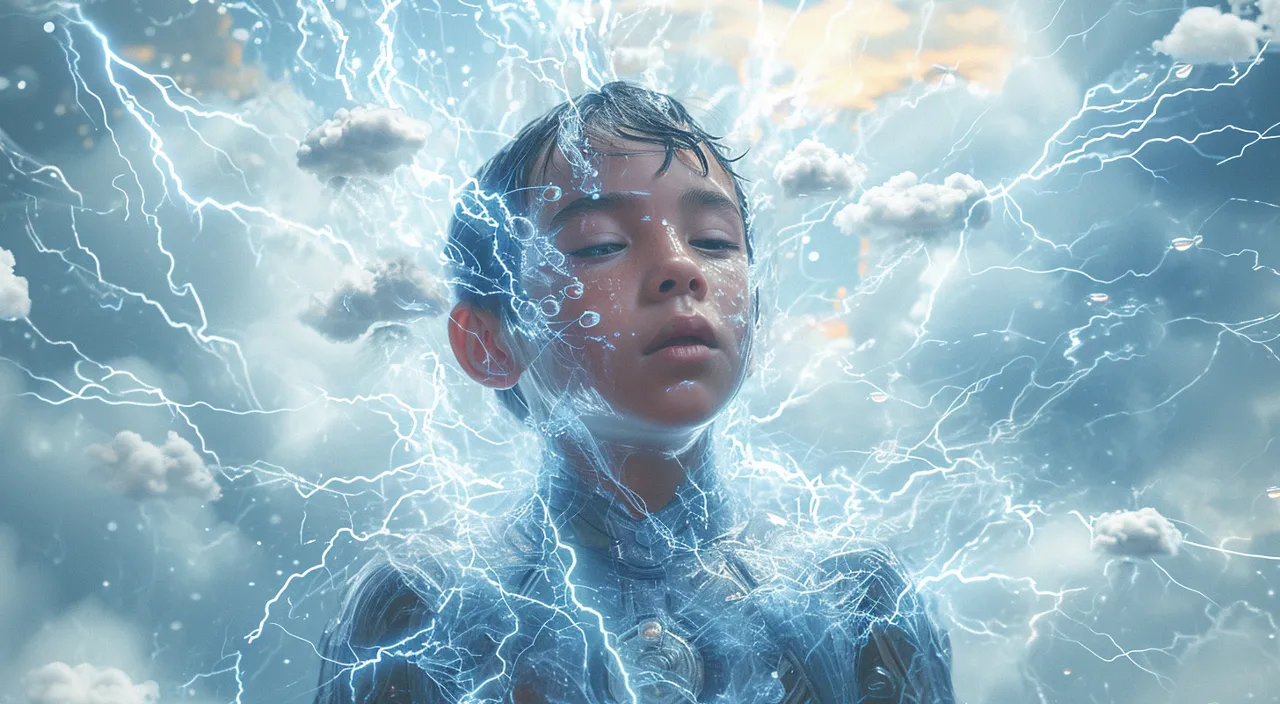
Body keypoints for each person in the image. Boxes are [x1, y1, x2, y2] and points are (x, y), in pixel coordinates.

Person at [312, 81, 956, 703]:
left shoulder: (855, 598)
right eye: (600, 246)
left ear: (754, 325)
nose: (681, 267)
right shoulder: (426, 605)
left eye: (713, 241)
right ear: (488, 342)